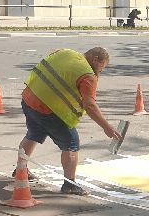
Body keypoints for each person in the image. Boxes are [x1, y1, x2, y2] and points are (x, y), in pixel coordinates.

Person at [16, 47, 120, 195]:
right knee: (71, 143)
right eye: (101, 67)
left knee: (33, 134)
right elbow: (90, 105)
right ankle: (69, 184)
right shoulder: (87, 75)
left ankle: (20, 170)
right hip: (49, 110)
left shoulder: (65, 52)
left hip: (29, 98)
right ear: (95, 59)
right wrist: (106, 127)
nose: (100, 71)